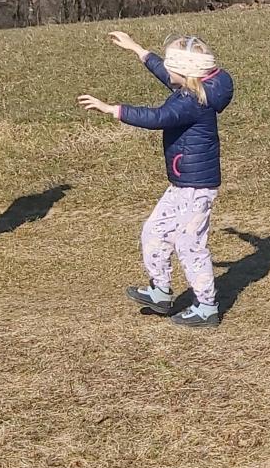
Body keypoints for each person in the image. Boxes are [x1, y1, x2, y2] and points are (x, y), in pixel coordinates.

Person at [78, 31, 235, 330]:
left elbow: (157, 118)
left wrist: (113, 109)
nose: (166, 71)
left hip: (197, 187)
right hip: (181, 183)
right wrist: (137, 49)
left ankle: (206, 307)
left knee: (190, 244)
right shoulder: (191, 88)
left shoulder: (191, 102)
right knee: (154, 231)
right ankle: (160, 291)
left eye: (170, 66)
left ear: (184, 72)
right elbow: (165, 73)